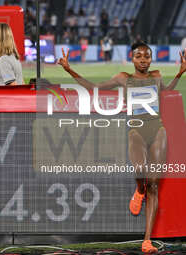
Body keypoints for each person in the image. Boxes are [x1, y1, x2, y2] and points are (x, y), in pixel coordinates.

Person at [58, 42, 186, 253]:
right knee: (140, 171)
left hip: (157, 129)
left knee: (154, 183)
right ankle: (139, 189)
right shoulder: (123, 78)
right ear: (132, 58)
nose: (143, 60)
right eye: (139, 56)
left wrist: (179, 74)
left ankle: (147, 240)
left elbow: (164, 91)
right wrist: (69, 69)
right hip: (135, 129)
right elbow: (95, 88)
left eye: (147, 56)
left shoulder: (156, 75)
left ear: (151, 59)